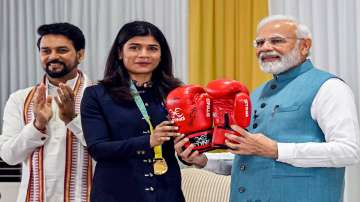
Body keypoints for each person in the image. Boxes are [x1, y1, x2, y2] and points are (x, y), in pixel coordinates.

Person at [223, 15, 360, 202]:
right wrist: (204, 162)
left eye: (276, 40)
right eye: (259, 42)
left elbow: (348, 151)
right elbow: (250, 158)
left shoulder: (329, 87)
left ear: (304, 46)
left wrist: (277, 150)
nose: (265, 47)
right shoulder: (255, 94)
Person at [80, 21, 188, 202]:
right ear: (120, 53)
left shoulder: (176, 94)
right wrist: (148, 141)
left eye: (152, 48)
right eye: (135, 47)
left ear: (161, 55)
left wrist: (191, 156)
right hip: (116, 194)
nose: (144, 55)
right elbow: (98, 149)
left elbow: (183, 143)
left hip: (167, 194)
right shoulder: (96, 95)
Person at [0, 23, 93, 202]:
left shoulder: (100, 95)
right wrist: (37, 125)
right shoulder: (20, 98)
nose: (53, 57)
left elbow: (108, 149)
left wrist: (72, 119)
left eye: (62, 50)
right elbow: (9, 156)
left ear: (80, 54)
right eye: (46, 51)